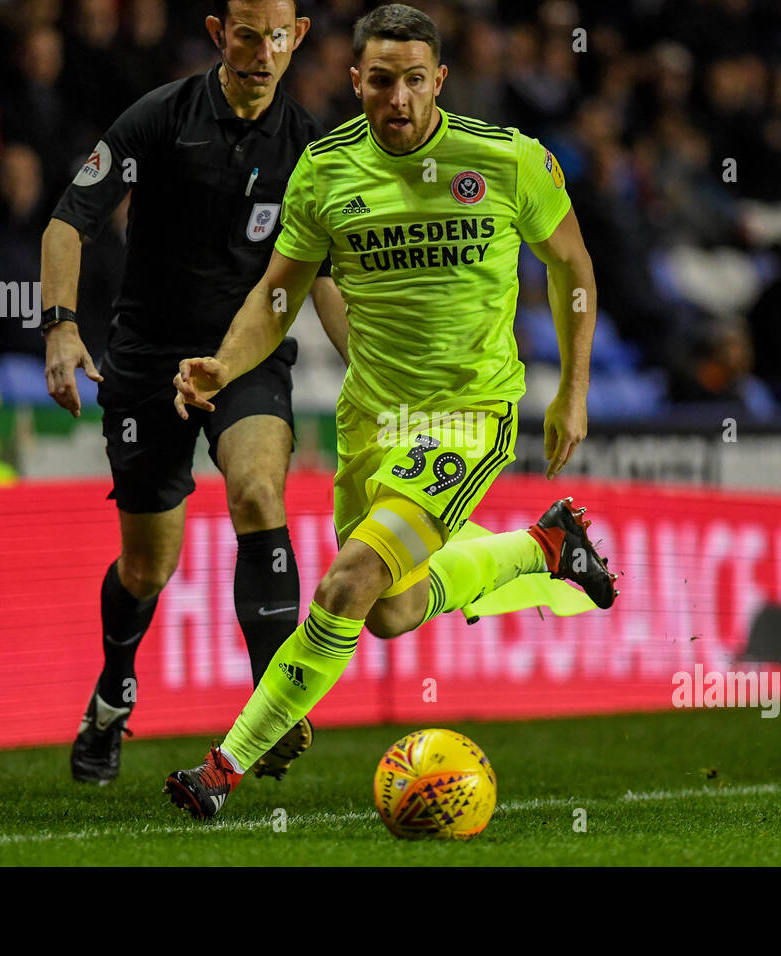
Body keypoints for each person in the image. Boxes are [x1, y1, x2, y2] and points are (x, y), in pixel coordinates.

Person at [164, 3, 618, 821]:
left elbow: (573, 265)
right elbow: (279, 292)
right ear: (354, 81)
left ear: (439, 80)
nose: (397, 99)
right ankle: (544, 547)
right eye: (380, 81)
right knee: (390, 612)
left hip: (469, 416)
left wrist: (573, 389)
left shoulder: (507, 160)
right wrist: (224, 363)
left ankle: (224, 767)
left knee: (346, 585)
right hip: (372, 422)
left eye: (414, 81)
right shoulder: (325, 169)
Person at [40, 0, 349, 787]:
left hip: (244, 359)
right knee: (147, 567)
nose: (261, 50)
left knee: (255, 493)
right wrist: (62, 327)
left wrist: (371, 371)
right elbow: (68, 221)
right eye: (245, 34)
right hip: (144, 365)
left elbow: (330, 279)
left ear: (299, 38)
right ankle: (112, 697)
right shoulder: (160, 119)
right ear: (218, 35)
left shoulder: (312, 147)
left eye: (277, 35)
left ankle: (270, 710)